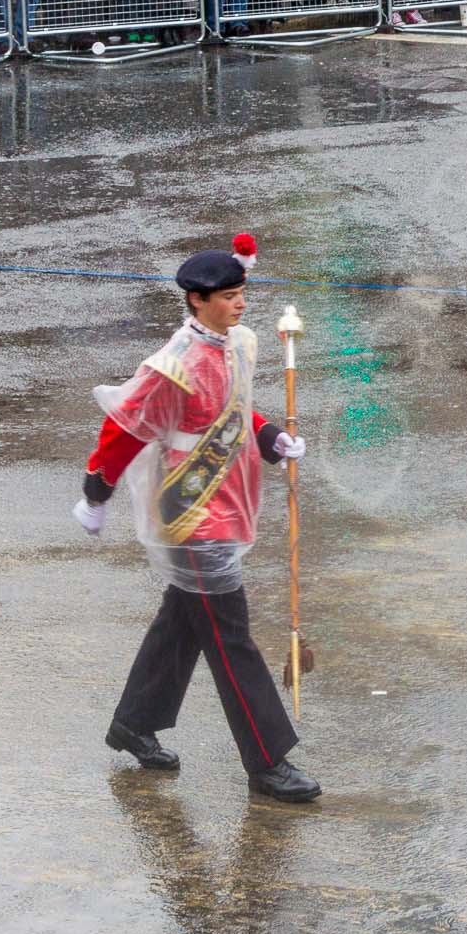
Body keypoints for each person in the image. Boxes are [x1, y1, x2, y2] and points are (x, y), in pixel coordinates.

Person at [76, 235, 323, 804]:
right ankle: (267, 760)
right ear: (197, 299)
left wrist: (268, 435)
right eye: (230, 296)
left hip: (225, 499)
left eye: (242, 293)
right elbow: (126, 426)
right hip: (191, 512)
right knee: (230, 635)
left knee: (185, 620)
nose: (241, 304)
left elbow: (234, 405)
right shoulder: (174, 364)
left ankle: (134, 723)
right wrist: (97, 490)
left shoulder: (237, 344)